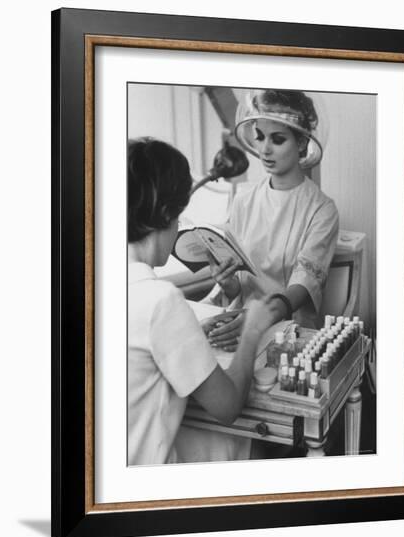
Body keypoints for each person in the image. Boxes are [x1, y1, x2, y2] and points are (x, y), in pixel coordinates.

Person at [127, 137, 277, 465]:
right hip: (144, 481)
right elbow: (227, 407)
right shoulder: (160, 300)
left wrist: (191, 330)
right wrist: (252, 330)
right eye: (178, 215)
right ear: (167, 214)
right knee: (256, 445)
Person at [206, 89, 339, 351]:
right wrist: (227, 281)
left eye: (278, 139)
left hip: (289, 333)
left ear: (301, 142)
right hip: (240, 325)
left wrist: (257, 320)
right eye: (259, 136)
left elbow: (302, 287)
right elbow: (239, 287)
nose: (265, 149)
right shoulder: (244, 200)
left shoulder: (322, 210)